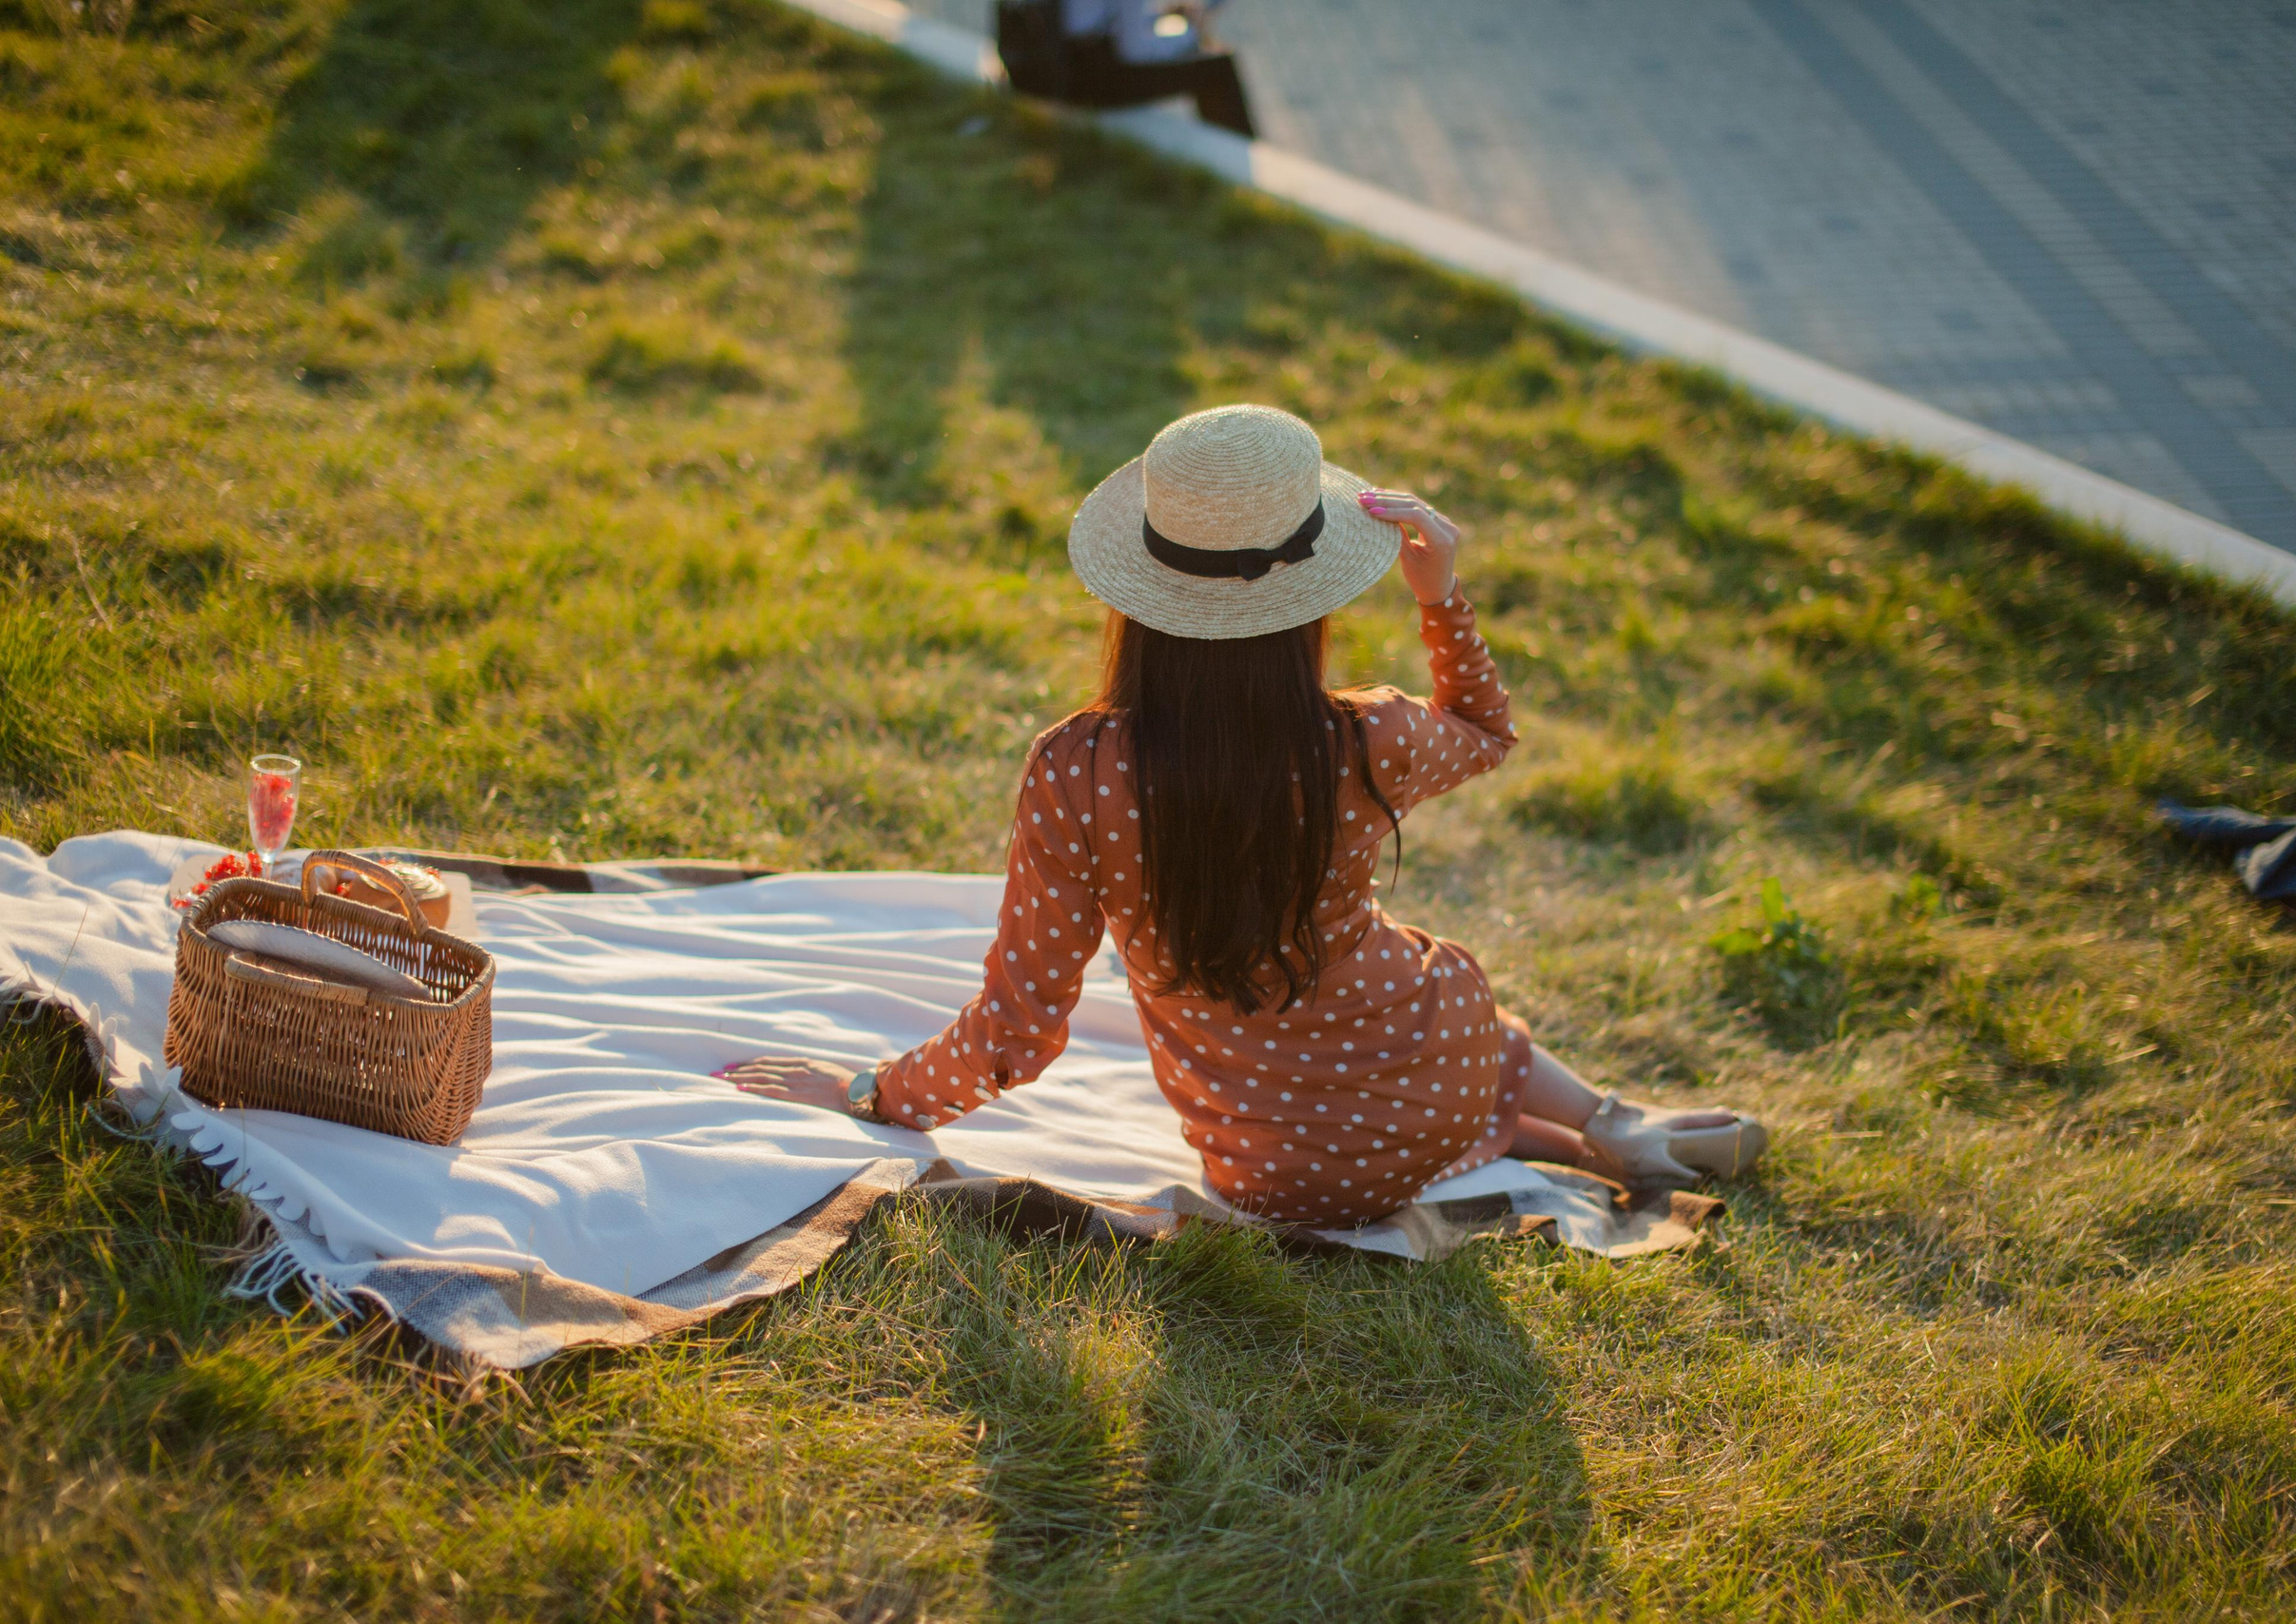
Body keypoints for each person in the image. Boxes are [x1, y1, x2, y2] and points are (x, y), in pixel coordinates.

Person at [720, 405, 1765, 1227]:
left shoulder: (1076, 769)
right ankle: (1609, 1129)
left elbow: (1017, 1032)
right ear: (1311, 596)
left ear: (1144, 590)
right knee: (1441, 1006)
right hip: (1436, 1070)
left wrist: (866, 1091)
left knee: (1391, 1057)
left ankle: (1602, 1138)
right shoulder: (1367, 738)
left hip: (1279, 1174)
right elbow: (1486, 729)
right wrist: (1440, 597)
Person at [996, 0, 1256, 139]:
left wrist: (1160, 16)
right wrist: (1190, 32)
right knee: (1219, 68)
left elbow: (1088, 17)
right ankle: (1243, 180)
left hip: (1033, 71)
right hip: (1087, 84)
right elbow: (1135, 51)